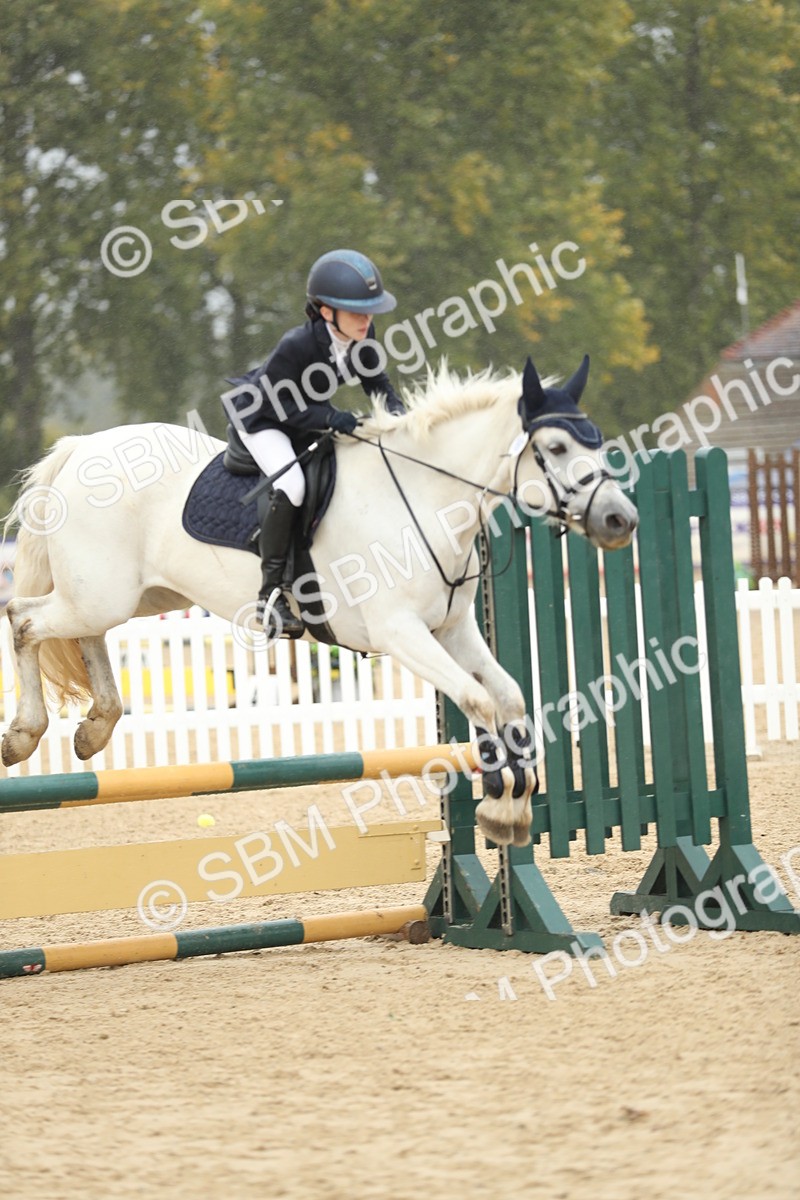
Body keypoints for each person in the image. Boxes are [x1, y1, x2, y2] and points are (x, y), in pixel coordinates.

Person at [222, 249, 405, 638]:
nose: (367, 320)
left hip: (300, 418)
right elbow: (277, 404)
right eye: (357, 312)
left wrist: (401, 419)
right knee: (293, 485)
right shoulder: (297, 345)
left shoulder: (362, 336)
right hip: (262, 418)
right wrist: (328, 418)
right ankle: (270, 596)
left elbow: (378, 383)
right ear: (325, 312)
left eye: (370, 312)